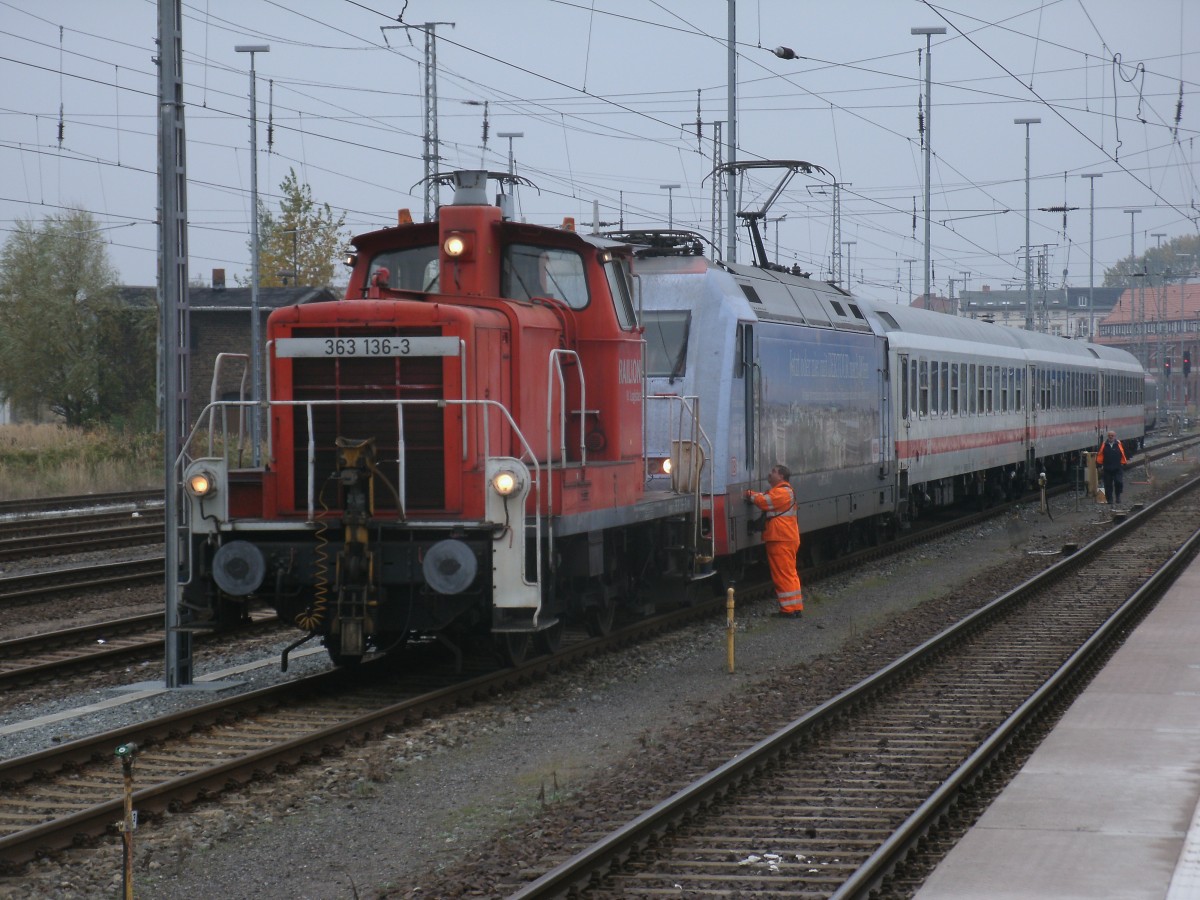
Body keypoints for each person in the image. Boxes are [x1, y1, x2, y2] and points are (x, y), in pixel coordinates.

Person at [745, 464, 803, 617]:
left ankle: (788, 610)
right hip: (786, 538)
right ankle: (795, 607)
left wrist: (749, 494)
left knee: (782, 575)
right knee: (790, 573)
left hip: (780, 539)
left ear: (781, 476)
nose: (770, 474)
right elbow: (767, 498)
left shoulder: (782, 492)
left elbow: (764, 501)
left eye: (774, 472)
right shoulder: (784, 492)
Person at [1096, 429, 1128, 508]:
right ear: (1108, 436)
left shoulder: (1119, 444)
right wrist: (1099, 465)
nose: (1110, 437)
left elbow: (1124, 453)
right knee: (1108, 485)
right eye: (1109, 436)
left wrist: (1123, 463)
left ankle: (1118, 496)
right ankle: (1109, 499)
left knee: (1118, 482)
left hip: (1117, 467)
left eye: (1112, 436)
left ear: (1115, 436)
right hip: (1107, 468)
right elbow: (1100, 455)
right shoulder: (1104, 445)